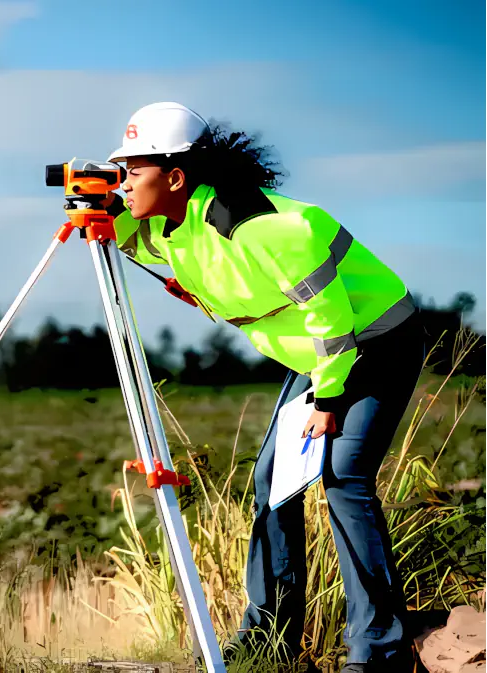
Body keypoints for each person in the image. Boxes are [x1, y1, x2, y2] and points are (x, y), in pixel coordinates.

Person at [103, 102, 425, 673]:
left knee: (344, 477)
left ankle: (380, 651)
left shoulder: (262, 228)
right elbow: (138, 241)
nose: (122, 182)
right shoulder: (174, 224)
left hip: (372, 338)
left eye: (132, 171)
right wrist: (102, 207)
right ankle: (268, 638)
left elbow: (331, 315)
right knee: (273, 484)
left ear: (176, 177)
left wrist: (327, 400)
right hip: (317, 353)